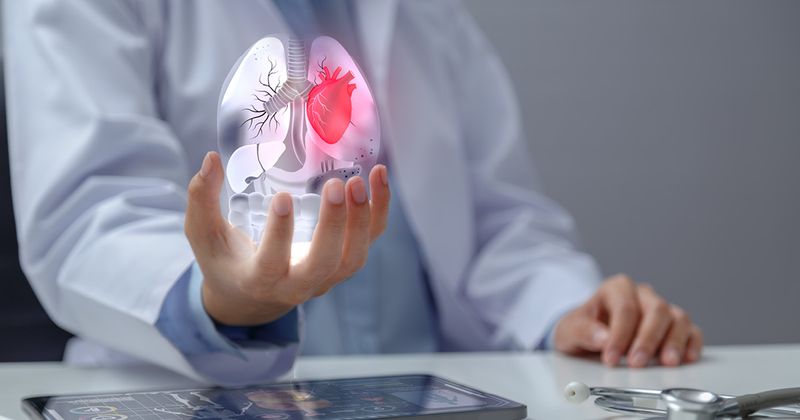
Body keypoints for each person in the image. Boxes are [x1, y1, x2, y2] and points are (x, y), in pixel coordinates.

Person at [3, 1, 702, 385]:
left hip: (428, 394)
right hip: (200, 389)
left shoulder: (427, 18)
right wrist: (228, 299)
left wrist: (567, 309)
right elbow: (88, 212)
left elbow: (497, 221)